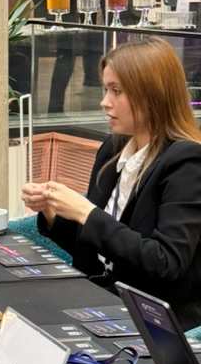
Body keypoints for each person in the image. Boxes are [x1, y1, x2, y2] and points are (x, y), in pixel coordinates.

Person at [23, 37, 201, 330]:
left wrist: (86, 213)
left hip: (154, 322)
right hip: (99, 302)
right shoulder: (113, 148)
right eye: (106, 89)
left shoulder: (187, 162)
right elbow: (94, 250)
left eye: (117, 91)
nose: (105, 102)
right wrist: (54, 213)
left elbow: (165, 263)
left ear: (152, 94)